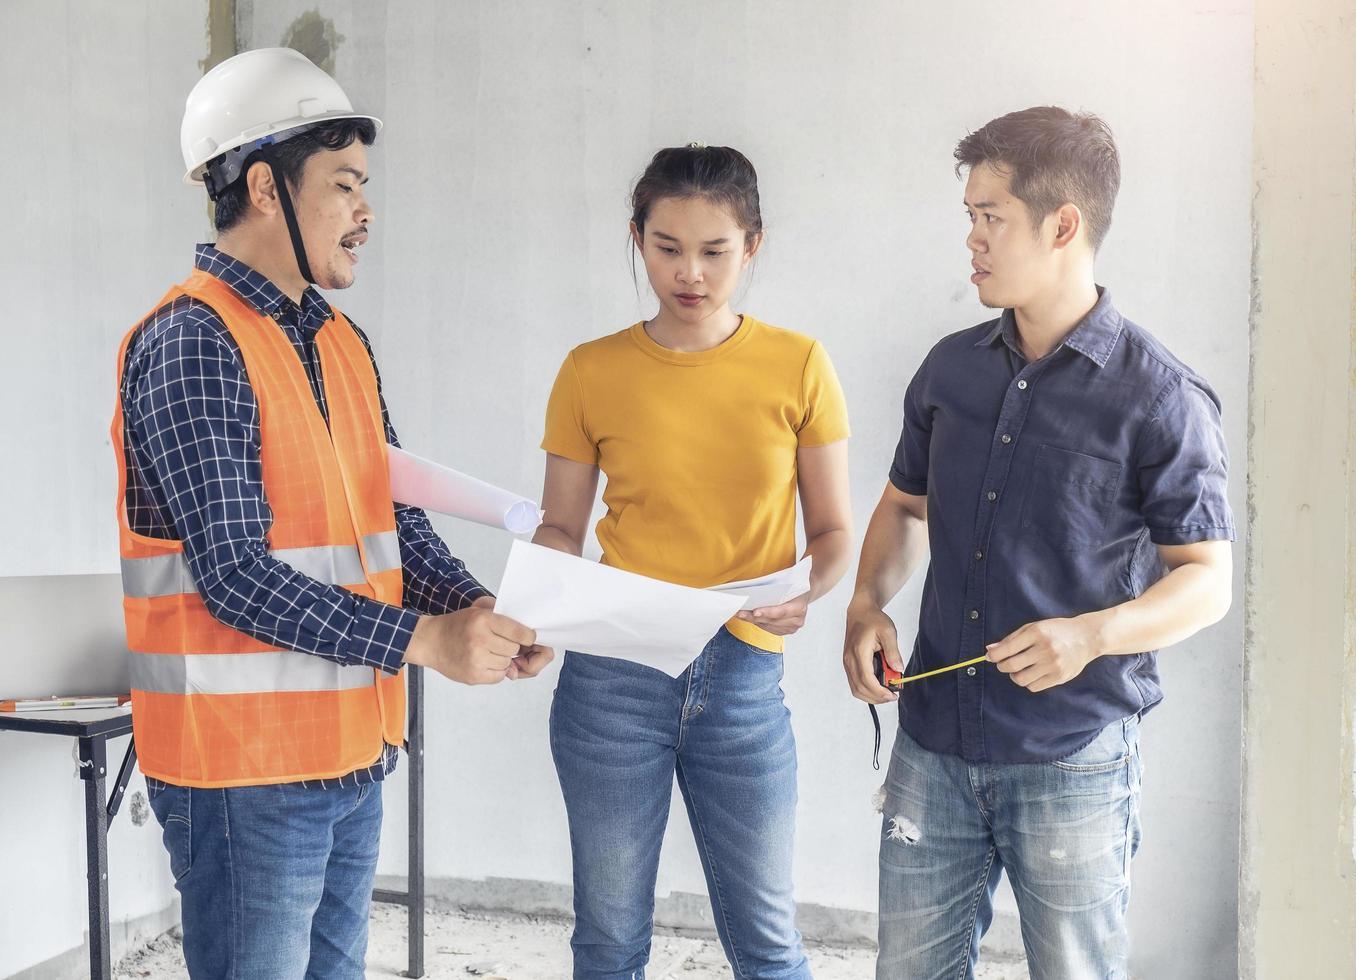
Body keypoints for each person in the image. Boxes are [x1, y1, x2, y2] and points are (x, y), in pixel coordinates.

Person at [112, 47, 551, 977]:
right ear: (266, 187)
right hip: (243, 779)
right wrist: (424, 642)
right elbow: (234, 576)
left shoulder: (339, 341)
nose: (366, 212)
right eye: (345, 185)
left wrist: (471, 610)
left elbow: (389, 517)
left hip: (351, 754)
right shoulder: (192, 342)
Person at [842, 106, 1235, 979]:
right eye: (970, 218)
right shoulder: (950, 368)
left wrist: (1090, 634)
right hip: (933, 744)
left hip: (1074, 756)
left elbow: (1207, 582)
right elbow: (904, 508)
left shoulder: (1162, 397)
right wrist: (867, 605)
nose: (973, 241)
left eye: (993, 218)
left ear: (1063, 225)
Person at [533, 144, 853, 980]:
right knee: (607, 940)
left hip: (745, 673)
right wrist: (537, 595)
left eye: (715, 251)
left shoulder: (800, 364)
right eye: (668, 247)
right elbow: (561, 528)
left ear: (754, 245)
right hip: (612, 678)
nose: (691, 273)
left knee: (769, 943)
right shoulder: (590, 370)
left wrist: (805, 593)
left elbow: (834, 534)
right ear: (637, 237)